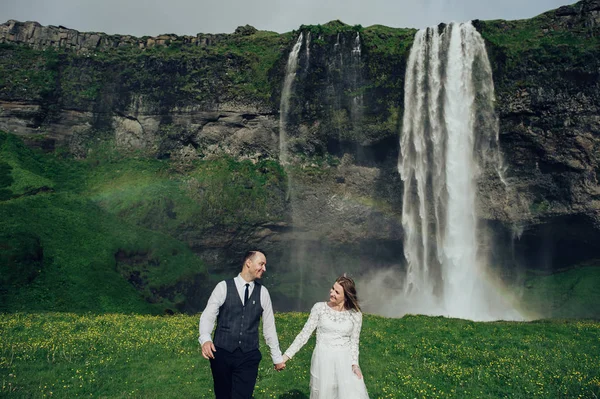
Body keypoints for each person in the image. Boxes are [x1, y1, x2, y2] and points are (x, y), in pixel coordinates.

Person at [199, 250, 286, 399]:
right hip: (221, 354)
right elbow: (208, 316)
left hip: (248, 356)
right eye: (261, 264)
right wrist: (205, 339)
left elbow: (269, 327)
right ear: (248, 263)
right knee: (222, 396)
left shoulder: (263, 292)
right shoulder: (223, 287)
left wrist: (277, 358)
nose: (264, 269)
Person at [281, 275, 370, 398]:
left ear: (346, 296)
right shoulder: (319, 308)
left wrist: (355, 365)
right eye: (332, 288)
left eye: (337, 292)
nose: (332, 292)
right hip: (323, 361)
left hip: (345, 362)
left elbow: (354, 342)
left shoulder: (356, 315)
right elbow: (304, 335)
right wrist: (285, 357)